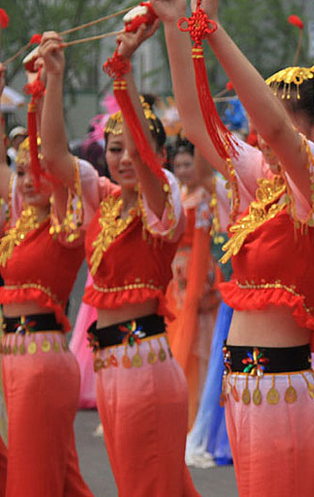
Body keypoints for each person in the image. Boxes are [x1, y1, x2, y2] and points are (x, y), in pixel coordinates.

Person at [151, 0, 314, 495]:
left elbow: (275, 131)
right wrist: (176, 24)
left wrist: (212, 26)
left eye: (284, 117)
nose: (264, 132)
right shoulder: (262, 182)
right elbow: (196, 123)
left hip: (281, 395)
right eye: (266, 118)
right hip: (246, 392)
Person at [39, 26, 198, 496]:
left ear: (159, 154)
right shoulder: (104, 200)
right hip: (110, 365)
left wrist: (122, 77)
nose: (124, 158)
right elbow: (54, 159)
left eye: (134, 149)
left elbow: (145, 166)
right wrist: (53, 78)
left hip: (144, 366)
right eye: (114, 150)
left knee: (149, 487)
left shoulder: (164, 201)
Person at [0, 60, 93, 496]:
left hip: (41, 364)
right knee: (57, 476)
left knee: (35, 477)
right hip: (15, 360)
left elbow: (56, 157)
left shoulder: (63, 225)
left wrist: (53, 81)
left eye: (38, 172)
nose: (27, 180)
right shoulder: (18, 225)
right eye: (21, 172)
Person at [167, 139, 221, 425]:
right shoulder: (179, 194)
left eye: (187, 164)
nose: (182, 170)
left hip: (198, 270)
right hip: (177, 274)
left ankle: (197, 412)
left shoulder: (203, 198)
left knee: (199, 343)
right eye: (178, 166)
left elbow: (203, 241)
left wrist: (198, 283)